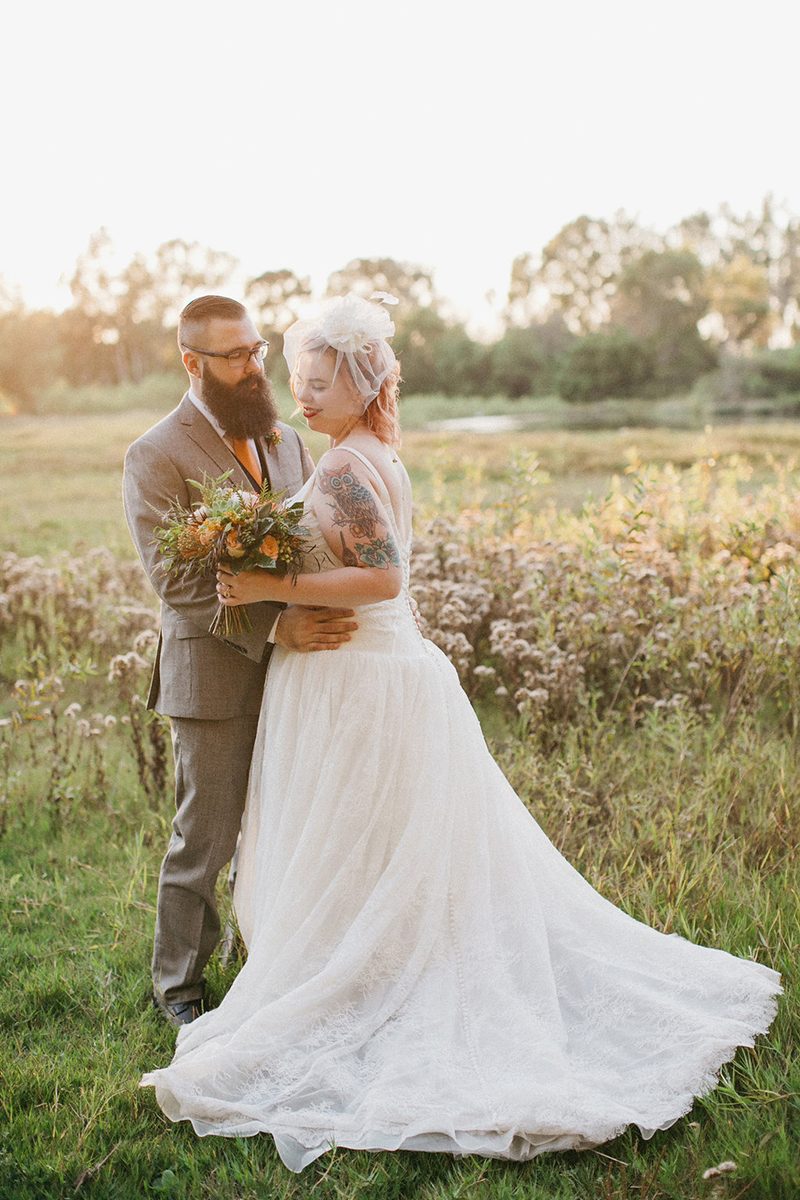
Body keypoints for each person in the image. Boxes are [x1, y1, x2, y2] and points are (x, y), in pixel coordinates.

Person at [140, 294, 781, 1172]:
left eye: (314, 381)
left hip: (357, 677)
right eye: (291, 376)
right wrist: (268, 607)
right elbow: (190, 572)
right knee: (337, 840)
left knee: (355, 837)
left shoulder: (333, 465)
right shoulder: (345, 453)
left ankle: (357, 974)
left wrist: (264, 595)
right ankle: (297, 968)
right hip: (344, 673)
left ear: (361, 384)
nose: (295, 393)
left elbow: (383, 579)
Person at [123, 295, 357, 1028]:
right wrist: (276, 627)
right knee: (207, 834)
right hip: (215, 675)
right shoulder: (155, 453)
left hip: (299, 677)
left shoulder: (287, 441)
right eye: (236, 356)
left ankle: (274, 959)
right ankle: (180, 990)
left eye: (257, 350)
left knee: (286, 819)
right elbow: (178, 581)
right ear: (192, 363)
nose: (255, 366)